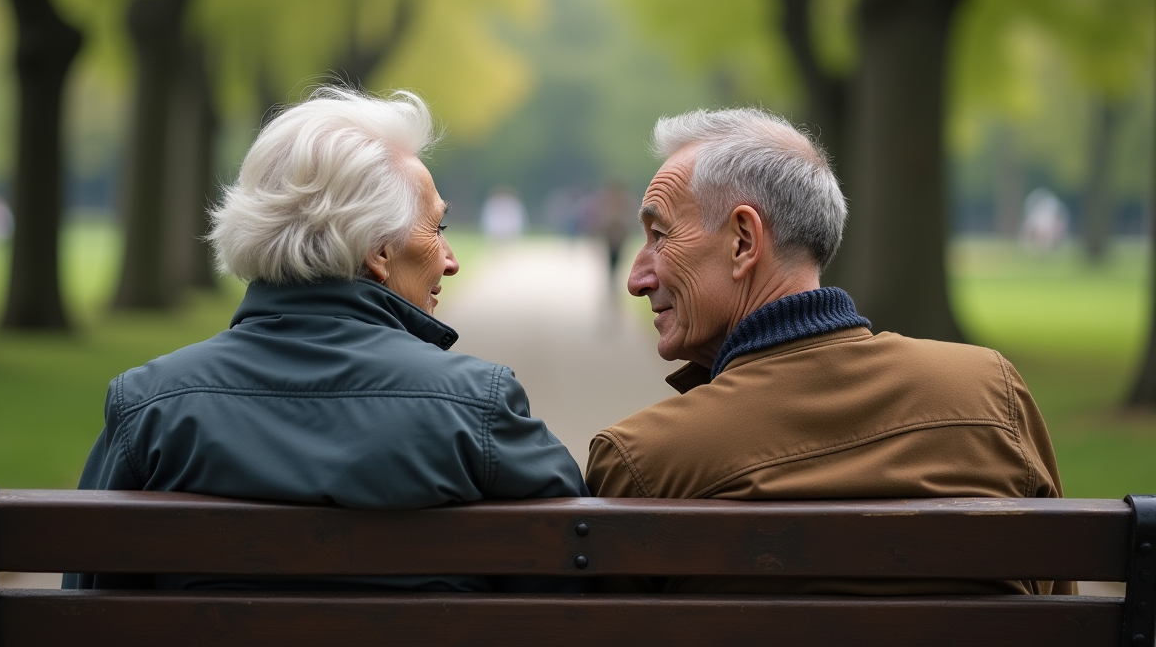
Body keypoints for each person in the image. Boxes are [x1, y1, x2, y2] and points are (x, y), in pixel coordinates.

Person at [66, 86, 586, 591]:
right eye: (437, 227)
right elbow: (574, 584)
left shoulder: (149, 410)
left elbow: (86, 605)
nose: (450, 259)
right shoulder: (475, 407)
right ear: (379, 252)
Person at [585, 107, 1071, 595]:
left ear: (743, 241)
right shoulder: (990, 395)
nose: (636, 278)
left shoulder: (646, 462)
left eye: (660, 235)